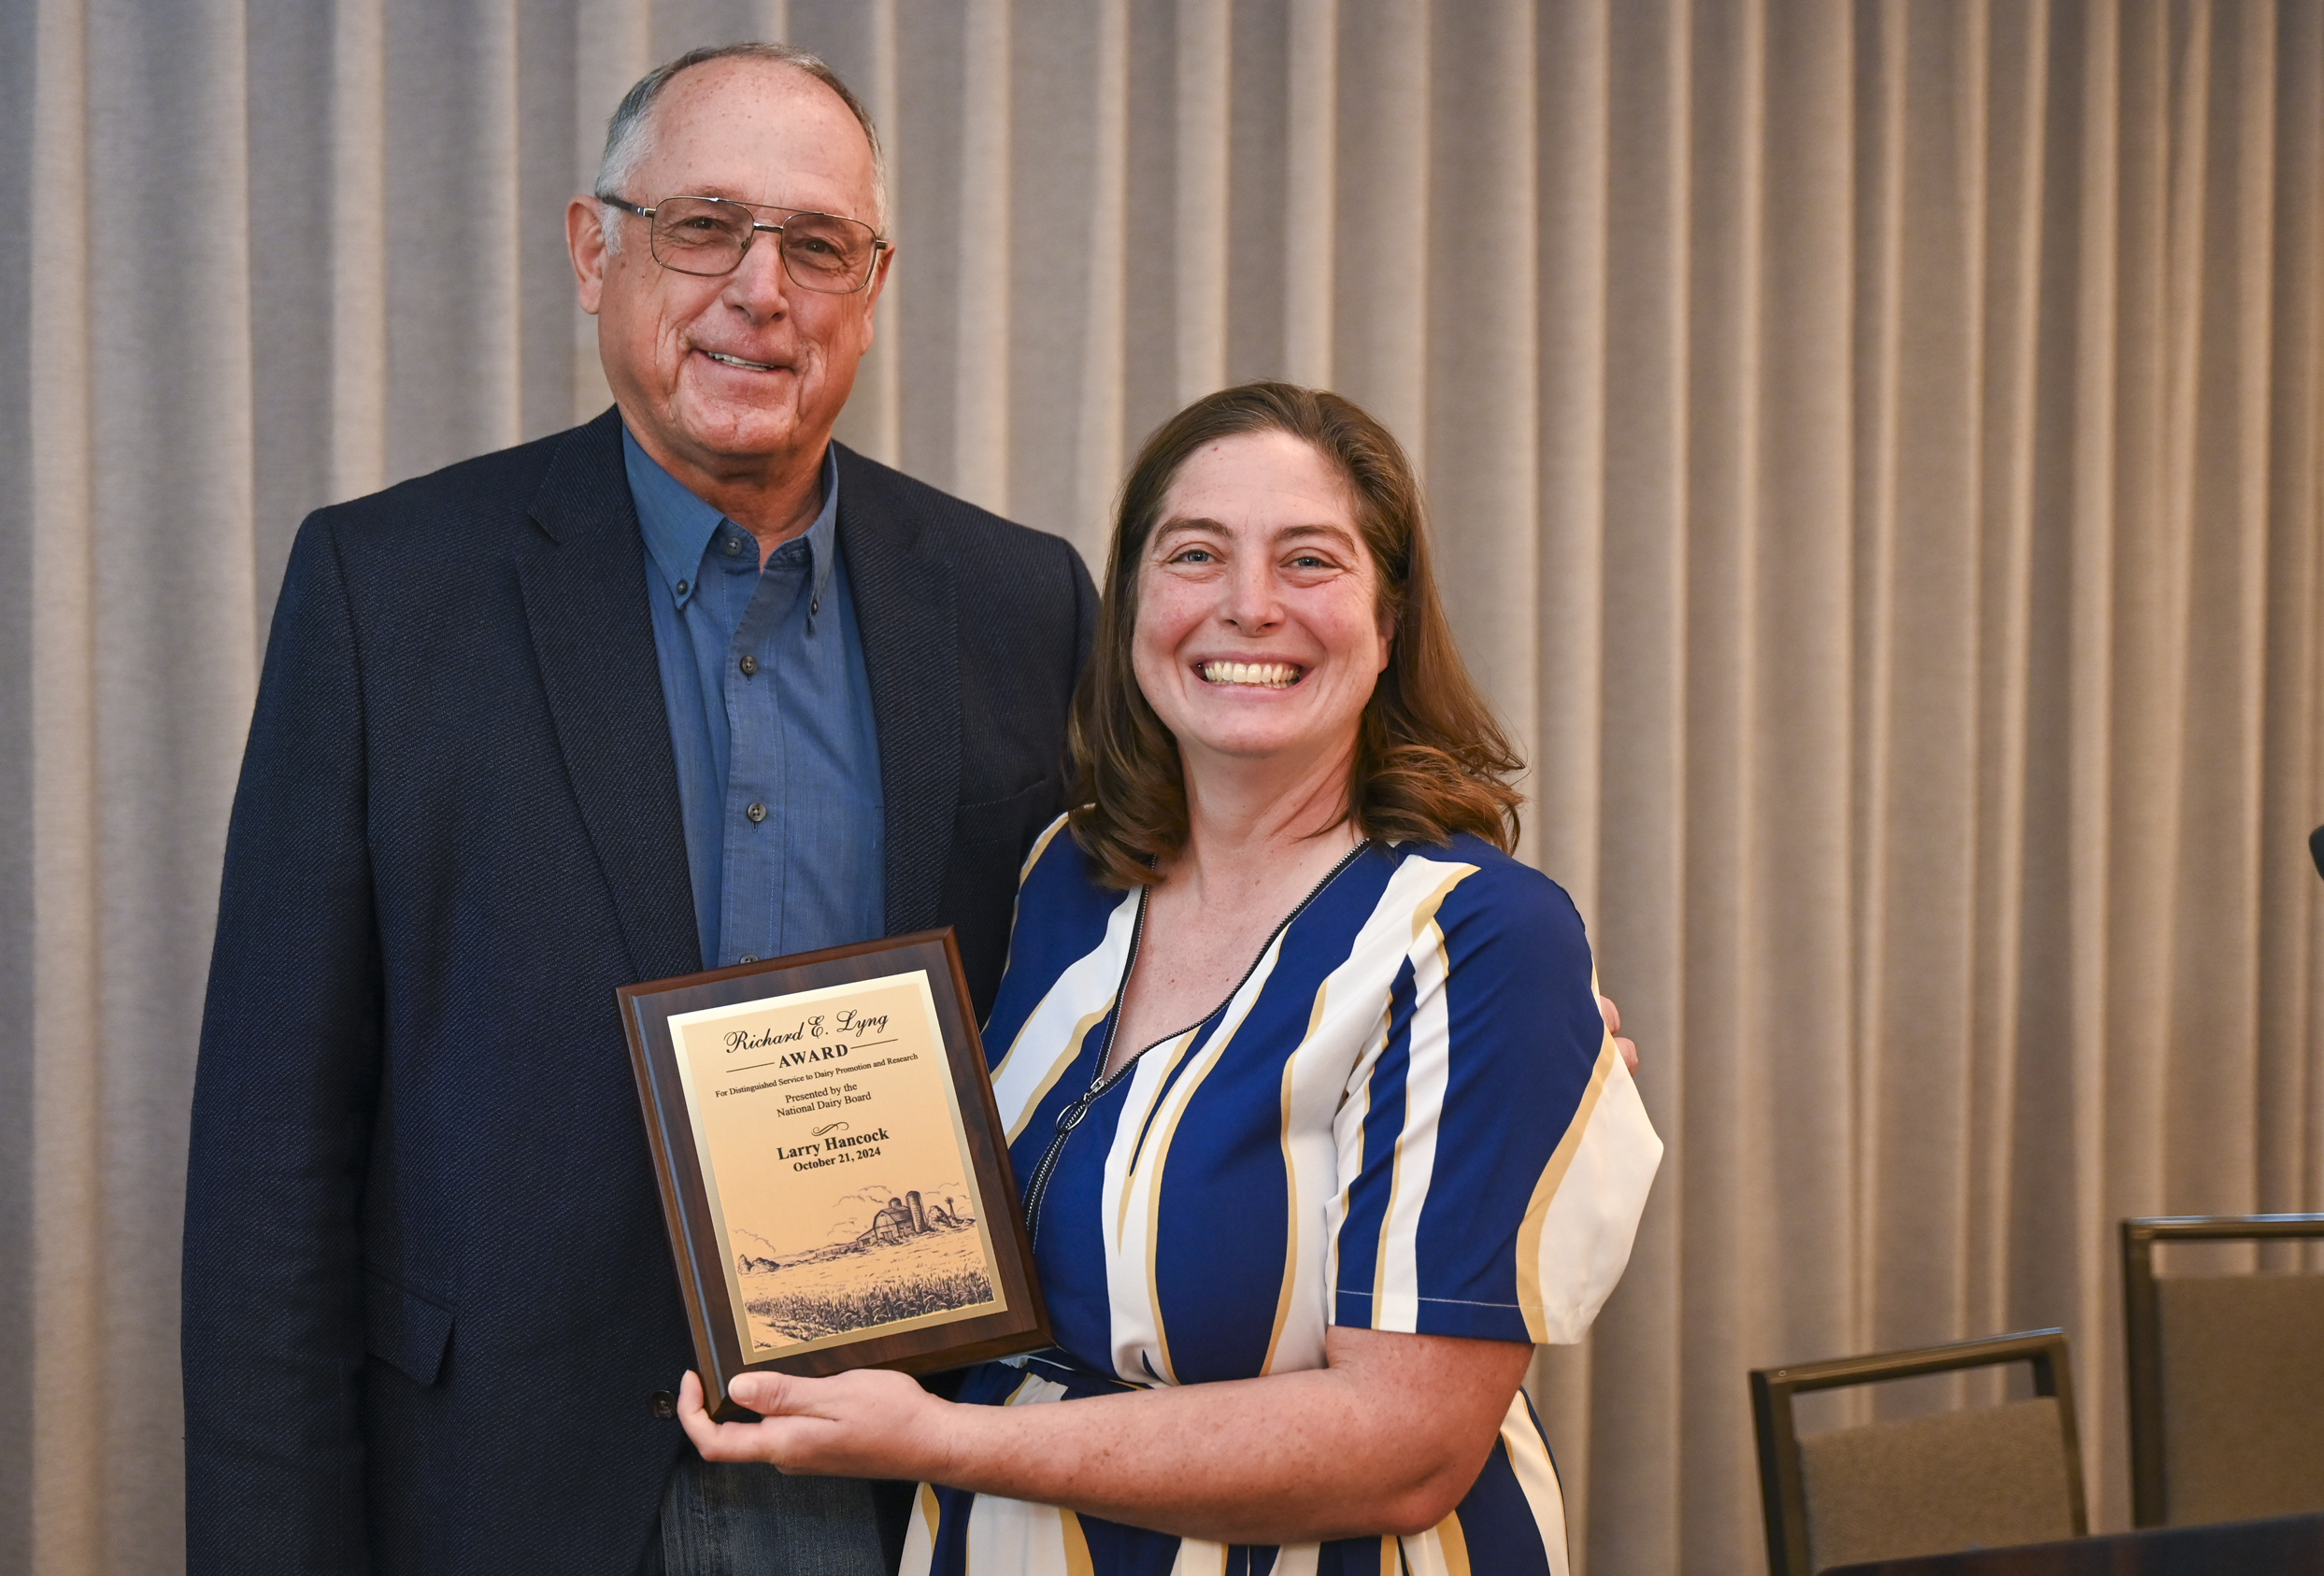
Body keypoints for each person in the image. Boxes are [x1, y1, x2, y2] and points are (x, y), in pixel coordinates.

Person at [180, 42, 1094, 1576]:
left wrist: (1423, 980)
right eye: (702, 225)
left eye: (817, 245)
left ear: (870, 289)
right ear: (593, 250)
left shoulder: (1021, 603)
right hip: (506, 1483)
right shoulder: (386, 594)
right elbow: (274, 1157)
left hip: (909, 1469)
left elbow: (1132, 977)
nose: (761, 288)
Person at [677, 383, 1664, 1572]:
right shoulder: (1069, 875)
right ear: (1136, 599)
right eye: (1195, 553)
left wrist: (941, 1438)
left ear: (1390, 618)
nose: (1248, 607)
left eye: (1310, 560)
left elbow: (1405, 1445)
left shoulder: (1477, 938)